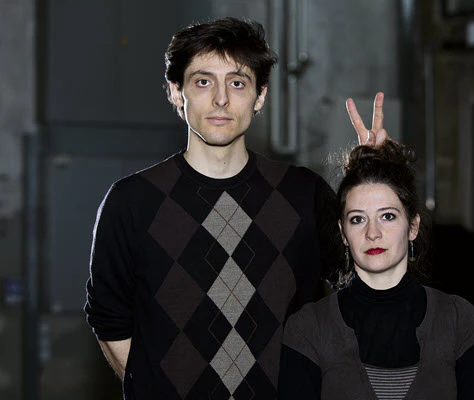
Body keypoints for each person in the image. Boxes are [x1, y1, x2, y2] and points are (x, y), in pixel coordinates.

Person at [83, 16, 387, 400]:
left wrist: (377, 179)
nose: (221, 99)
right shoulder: (131, 202)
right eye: (203, 81)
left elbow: (372, 277)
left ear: (260, 96)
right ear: (176, 92)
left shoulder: (303, 195)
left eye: (238, 83)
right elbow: (109, 319)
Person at [278, 140, 474, 399]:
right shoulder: (308, 328)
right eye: (358, 219)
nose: (373, 233)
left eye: (387, 216)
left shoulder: (459, 321)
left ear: (413, 226)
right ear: (343, 233)